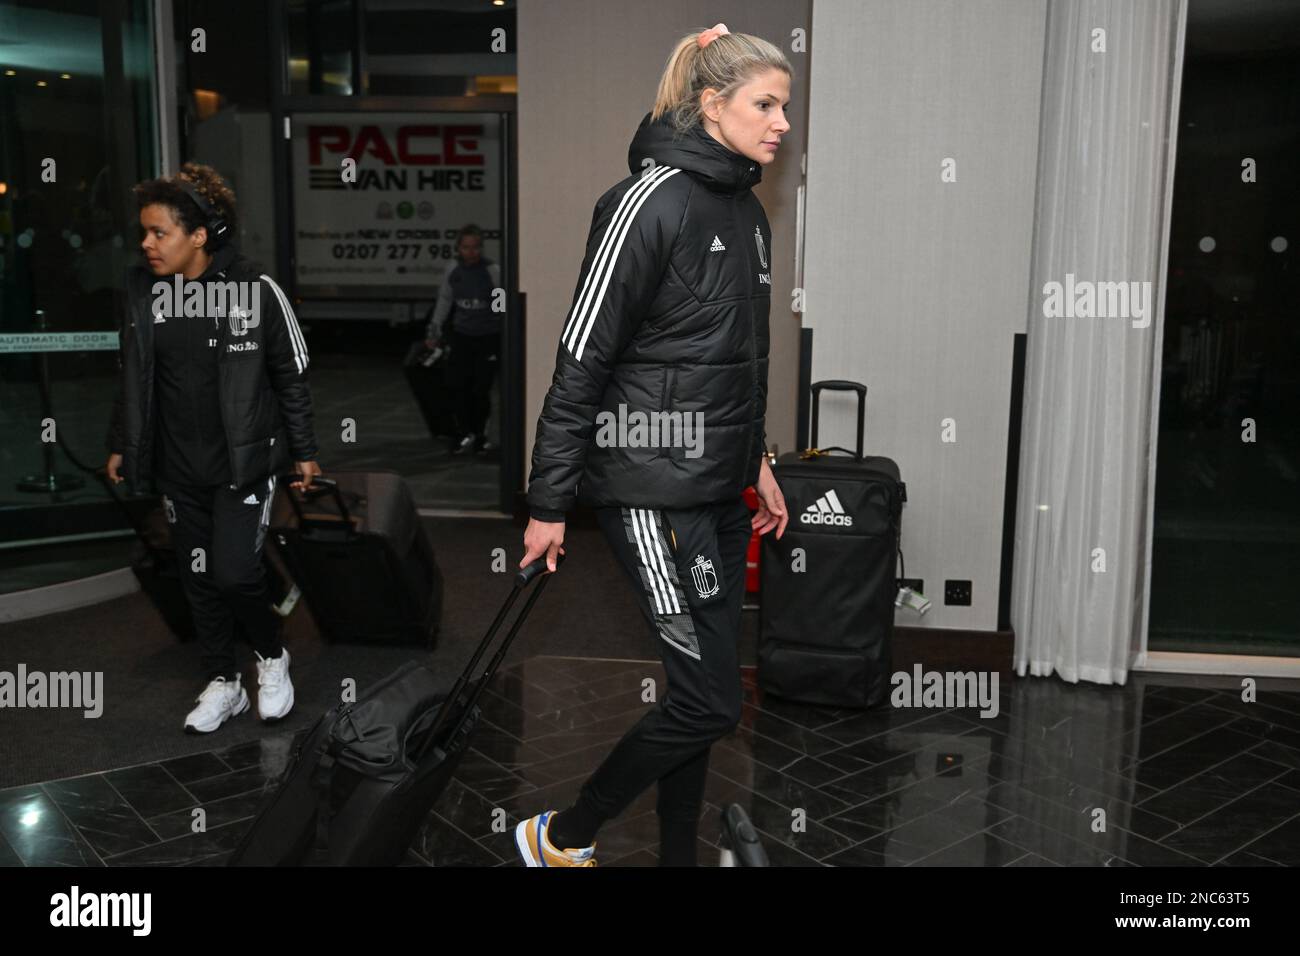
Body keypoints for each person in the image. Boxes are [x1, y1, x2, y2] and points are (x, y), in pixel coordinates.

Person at [515, 23, 792, 866]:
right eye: (766, 104)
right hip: (650, 492)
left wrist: (759, 459)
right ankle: (561, 836)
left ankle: (677, 855)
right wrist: (548, 502)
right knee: (710, 704)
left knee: (697, 695)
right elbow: (581, 358)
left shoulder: (745, 211)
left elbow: (736, 359)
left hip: (718, 490)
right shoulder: (644, 200)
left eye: (787, 106)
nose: (782, 123)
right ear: (713, 104)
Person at [105, 161, 321, 734]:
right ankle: (223, 683)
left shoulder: (254, 291)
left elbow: (291, 375)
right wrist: (122, 444)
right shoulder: (145, 295)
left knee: (235, 574)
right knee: (197, 577)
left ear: (198, 236)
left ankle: (272, 657)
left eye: (160, 233)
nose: (147, 244)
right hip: (179, 467)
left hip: (243, 464)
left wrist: (305, 450)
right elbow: (134, 376)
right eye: (144, 233)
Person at [423, 224, 503, 455]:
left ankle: (480, 436)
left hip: (487, 338)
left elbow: (503, 304)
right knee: (457, 387)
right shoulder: (453, 270)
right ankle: (463, 433)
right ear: (458, 248)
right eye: (466, 247)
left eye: (476, 247)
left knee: (481, 390)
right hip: (461, 337)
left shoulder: (492, 271)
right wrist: (434, 332)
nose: (471, 252)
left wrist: (504, 330)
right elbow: (444, 301)